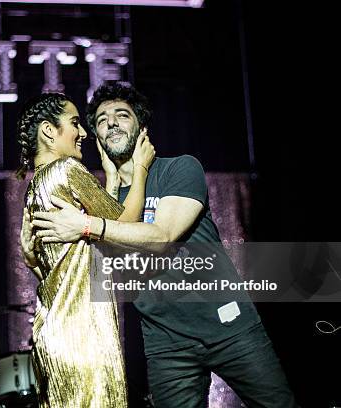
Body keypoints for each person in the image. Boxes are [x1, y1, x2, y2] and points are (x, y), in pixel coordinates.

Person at [25, 82, 298, 408]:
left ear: (142, 129)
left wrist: (85, 226)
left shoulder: (179, 168)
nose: (110, 122)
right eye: (100, 120)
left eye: (122, 115)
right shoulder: (103, 200)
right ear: (96, 138)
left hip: (228, 327)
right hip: (166, 345)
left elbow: (162, 236)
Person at [16, 92, 155, 408]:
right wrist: (141, 167)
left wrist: (111, 178)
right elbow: (126, 225)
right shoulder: (66, 169)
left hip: (55, 335)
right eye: (75, 123)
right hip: (83, 337)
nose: (83, 133)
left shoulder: (37, 187)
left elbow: (96, 239)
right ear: (49, 131)